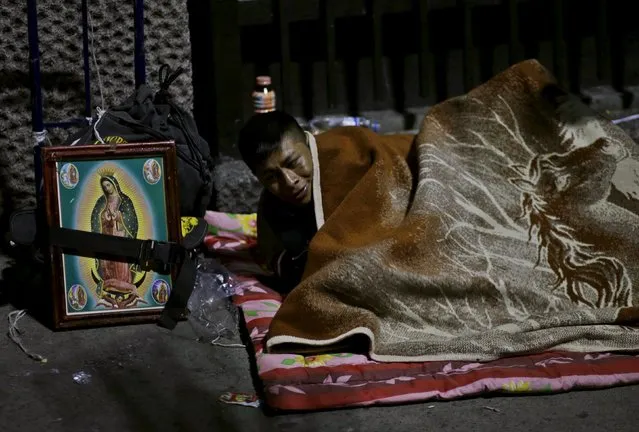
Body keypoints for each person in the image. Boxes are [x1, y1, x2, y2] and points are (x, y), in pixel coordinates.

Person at [238, 111, 318, 292]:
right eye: (272, 176)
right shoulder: (271, 212)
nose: (290, 182)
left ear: (308, 143)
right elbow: (277, 261)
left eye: (293, 163)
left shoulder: (344, 168)